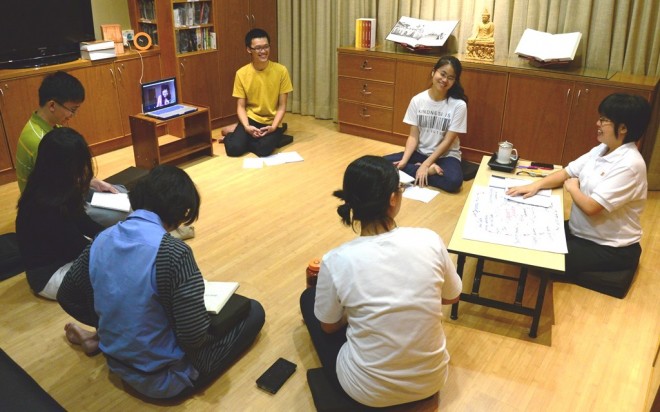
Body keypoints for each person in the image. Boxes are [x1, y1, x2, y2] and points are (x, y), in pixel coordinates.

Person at [56, 165, 265, 399]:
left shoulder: (101, 239)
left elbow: (67, 295)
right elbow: (194, 337)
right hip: (162, 380)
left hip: (116, 363)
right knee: (253, 311)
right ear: (181, 212)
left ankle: (98, 338)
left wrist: (108, 323)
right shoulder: (174, 252)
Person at [300, 155, 462, 408]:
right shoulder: (429, 239)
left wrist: (352, 313)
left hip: (366, 391)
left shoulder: (337, 260)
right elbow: (451, 297)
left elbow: (330, 328)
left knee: (309, 300)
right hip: (432, 381)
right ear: (392, 199)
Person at [506, 93, 651, 297]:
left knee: (537, 262)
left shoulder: (630, 165)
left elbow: (592, 207)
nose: (597, 123)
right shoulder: (603, 148)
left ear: (624, 128)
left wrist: (573, 188)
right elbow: (567, 172)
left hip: (608, 247)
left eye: (604, 120)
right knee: (528, 236)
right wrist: (535, 185)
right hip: (579, 232)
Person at [14, 71, 125, 227]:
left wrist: (94, 182)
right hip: (51, 207)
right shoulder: (41, 141)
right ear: (52, 105)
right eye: (72, 110)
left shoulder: (46, 125)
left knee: (120, 191)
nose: (73, 115)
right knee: (118, 213)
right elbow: (61, 189)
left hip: (62, 189)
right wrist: (88, 185)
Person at [16, 127, 103, 299]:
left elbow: (83, 221)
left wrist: (110, 234)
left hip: (64, 256)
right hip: (49, 276)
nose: (84, 169)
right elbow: (77, 247)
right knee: (117, 274)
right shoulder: (44, 206)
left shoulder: (58, 189)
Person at [384, 56, 468, 192]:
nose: (445, 80)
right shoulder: (417, 100)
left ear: (455, 81)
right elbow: (413, 136)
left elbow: (447, 141)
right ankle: (428, 172)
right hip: (420, 152)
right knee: (382, 164)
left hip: (446, 156)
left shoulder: (459, 105)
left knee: (454, 182)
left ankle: (419, 171)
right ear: (433, 72)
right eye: (442, 74)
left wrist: (426, 164)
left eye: (451, 78)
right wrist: (405, 160)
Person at [222, 28, 293, 157]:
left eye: (266, 47)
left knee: (263, 151)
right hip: (251, 118)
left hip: (271, 121)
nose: (263, 51)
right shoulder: (241, 73)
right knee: (233, 149)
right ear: (249, 49)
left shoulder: (281, 71)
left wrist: (274, 127)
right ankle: (234, 134)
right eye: (258, 48)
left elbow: (282, 106)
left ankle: (239, 133)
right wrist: (247, 126)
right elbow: (241, 106)